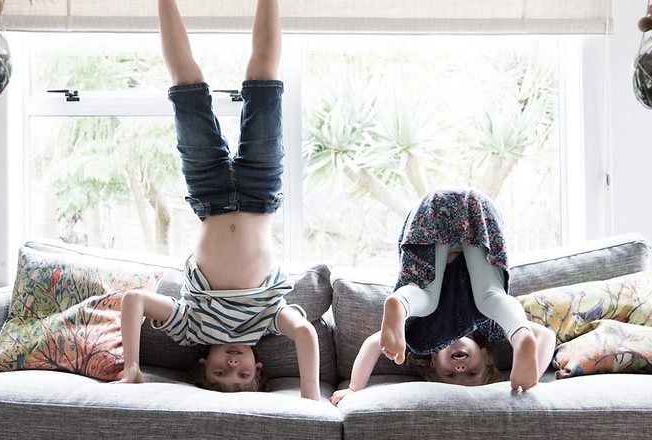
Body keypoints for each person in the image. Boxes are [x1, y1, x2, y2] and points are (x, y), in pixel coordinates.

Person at [115, 0, 321, 401]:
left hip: (209, 193)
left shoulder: (191, 328)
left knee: (185, 85)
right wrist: (311, 398)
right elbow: (306, 332)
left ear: (202, 362)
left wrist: (132, 367)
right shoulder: (267, 321)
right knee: (263, 74)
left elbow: (134, 300)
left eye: (220, 371)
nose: (232, 365)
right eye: (242, 375)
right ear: (257, 367)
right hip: (260, 192)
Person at [330, 188, 556, 405]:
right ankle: (521, 334)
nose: (461, 370)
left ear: (433, 360)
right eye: (473, 373)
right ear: (486, 357)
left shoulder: (423, 334)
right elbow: (545, 336)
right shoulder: (488, 326)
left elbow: (373, 344)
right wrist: (533, 376)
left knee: (432, 300)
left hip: (433, 213)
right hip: (475, 211)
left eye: (449, 374)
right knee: (489, 298)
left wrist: (354, 388)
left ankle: (401, 303)